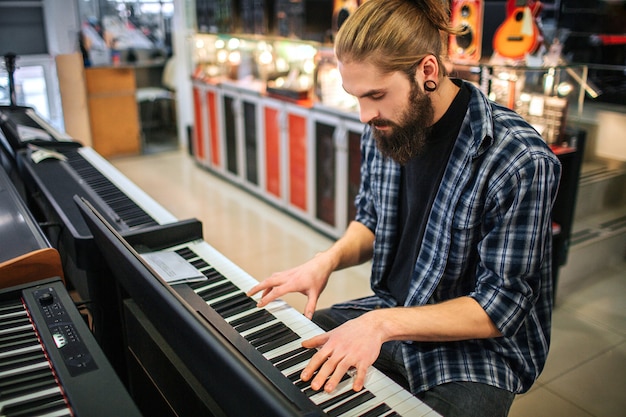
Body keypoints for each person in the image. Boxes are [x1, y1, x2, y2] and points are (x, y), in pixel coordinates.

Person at [247, 0, 561, 415]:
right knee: (268, 365)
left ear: (427, 71)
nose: (364, 114)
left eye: (375, 94)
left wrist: (382, 324)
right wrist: (325, 261)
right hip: (391, 311)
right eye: (356, 96)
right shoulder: (385, 127)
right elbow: (373, 222)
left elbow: (499, 308)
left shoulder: (518, 159)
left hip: (477, 353)